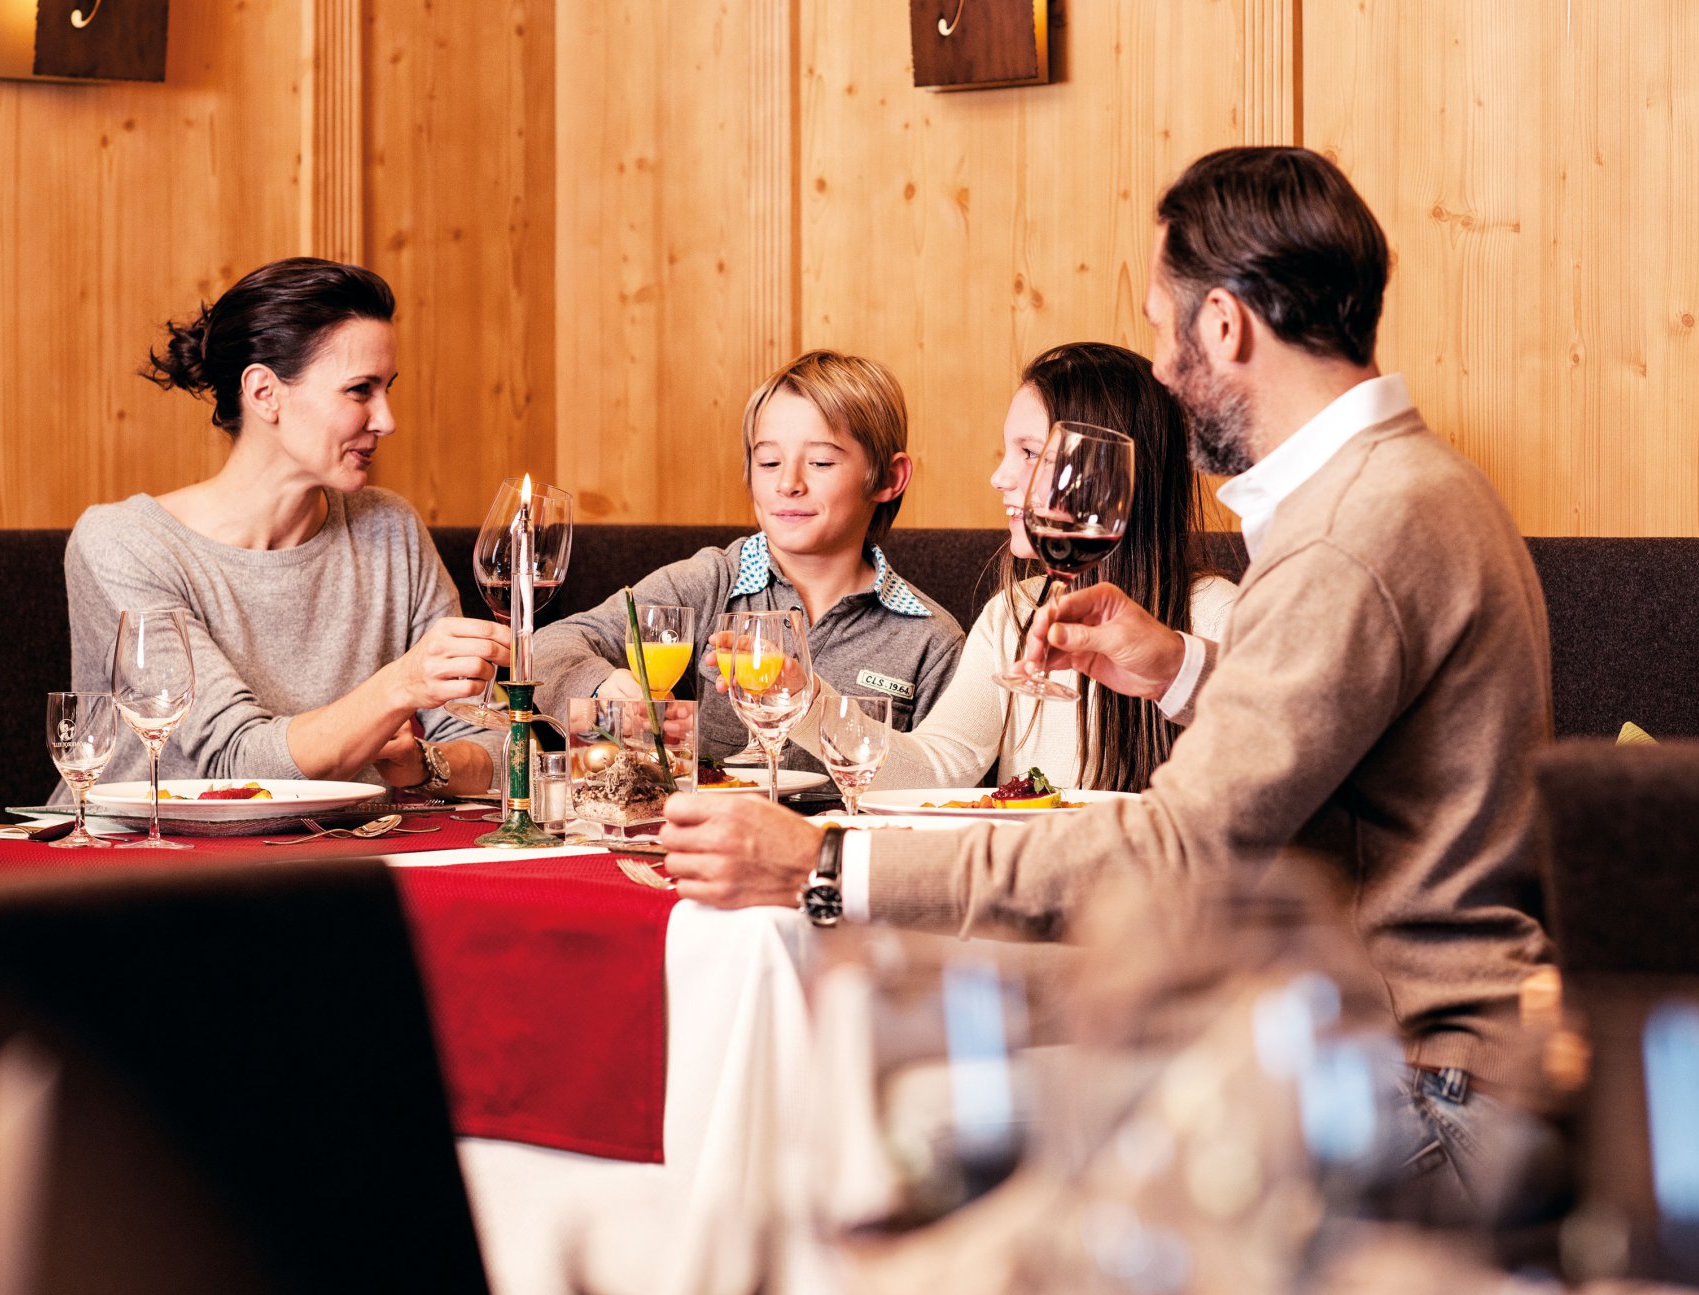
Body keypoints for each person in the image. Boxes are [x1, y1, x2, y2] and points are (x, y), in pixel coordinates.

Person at [660, 148, 1558, 1215]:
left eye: (1157, 324)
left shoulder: (1349, 533)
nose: (1161, 370)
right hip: (1432, 1064)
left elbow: (1177, 850)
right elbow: (1360, 748)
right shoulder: (1417, 487)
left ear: (1220, 325)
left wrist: (824, 863)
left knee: (885, 1131)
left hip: (1409, 1092)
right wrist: (1180, 669)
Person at [62, 257, 506, 795]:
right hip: (138, 863)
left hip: (331, 853)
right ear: (265, 393)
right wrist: (400, 685)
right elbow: (236, 763)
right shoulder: (125, 543)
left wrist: (427, 763)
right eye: (360, 390)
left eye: (387, 388)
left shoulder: (391, 530)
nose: (386, 421)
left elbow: (496, 750)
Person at [778, 342, 1237, 793]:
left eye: (1031, 453)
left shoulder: (1220, 616)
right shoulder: (1012, 613)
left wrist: (1178, 671)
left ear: (1109, 476)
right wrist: (805, 703)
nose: (1000, 478)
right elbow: (938, 769)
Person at [532, 349, 966, 773]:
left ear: (889, 479)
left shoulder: (930, 640)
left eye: (820, 462)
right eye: (769, 461)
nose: (787, 483)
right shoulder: (711, 583)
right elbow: (546, 647)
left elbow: (948, 781)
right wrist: (606, 688)